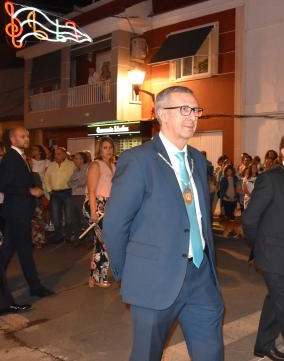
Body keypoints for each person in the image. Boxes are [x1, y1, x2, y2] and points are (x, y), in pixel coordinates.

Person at [104, 86, 223, 361]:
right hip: (154, 279)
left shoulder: (197, 158)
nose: (192, 116)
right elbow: (114, 226)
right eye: (184, 109)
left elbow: (198, 215)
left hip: (200, 274)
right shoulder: (138, 160)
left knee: (211, 353)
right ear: (161, 115)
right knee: (147, 355)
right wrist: (130, 273)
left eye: (195, 110)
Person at [243, 131, 284, 361]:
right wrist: (261, 249)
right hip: (274, 258)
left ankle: (263, 346)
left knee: (275, 303)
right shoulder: (271, 178)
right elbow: (250, 219)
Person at [0, 127, 54, 298]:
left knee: (13, 249)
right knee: (22, 250)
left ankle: (35, 286)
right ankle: (35, 286)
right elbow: (3, 185)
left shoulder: (20, 157)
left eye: (27, 136)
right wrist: (29, 191)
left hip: (19, 212)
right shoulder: (10, 158)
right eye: (22, 136)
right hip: (17, 212)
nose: (27, 139)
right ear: (13, 139)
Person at [85, 138, 115, 287]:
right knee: (104, 242)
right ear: (99, 149)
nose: (108, 150)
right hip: (95, 204)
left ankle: (94, 277)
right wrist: (93, 212)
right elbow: (91, 190)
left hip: (108, 205)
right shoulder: (96, 165)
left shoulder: (113, 166)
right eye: (105, 147)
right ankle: (97, 277)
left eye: (110, 147)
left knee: (102, 243)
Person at [44, 146, 76, 243]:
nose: (56, 155)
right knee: (56, 217)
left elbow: (76, 178)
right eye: (55, 154)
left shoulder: (71, 164)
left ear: (64, 154)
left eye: (58, 154)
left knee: (68, 217)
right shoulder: (51, 165)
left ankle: (68, 236)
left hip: (67, 192)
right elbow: (46, 179)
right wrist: (49, 190)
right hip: (55, 194)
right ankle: (59, 236)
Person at [67, 152, 90, 246]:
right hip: (74, 195)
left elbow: (83, 182)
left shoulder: (88, 168)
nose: (74, 160)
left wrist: (75, 181)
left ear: (82, 159)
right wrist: (76, 181)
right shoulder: (76, 170)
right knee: (74, 219)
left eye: (76, 158)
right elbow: (69, 182)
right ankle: (77, 238)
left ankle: (89, 240)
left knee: (84, 219)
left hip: (83, 195)